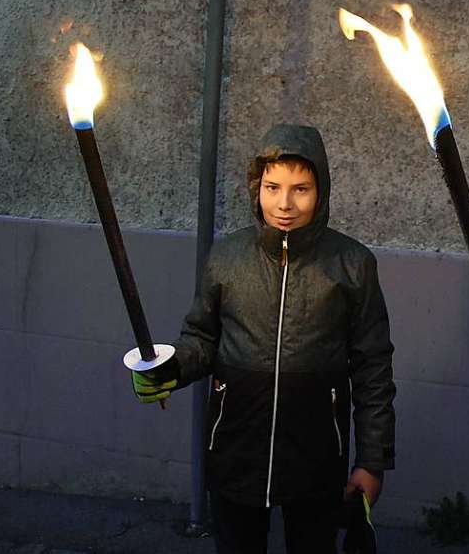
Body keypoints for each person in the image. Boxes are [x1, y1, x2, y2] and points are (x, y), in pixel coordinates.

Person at [128, 124, 396, 554]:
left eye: (300, 189)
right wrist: (171, 367)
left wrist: (373, 460)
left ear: (321, 190)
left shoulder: (352, 264)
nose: (284, 203)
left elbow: (373, 367)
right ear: (257, 187)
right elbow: (201, 337)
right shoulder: (227, 256)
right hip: (235, 448)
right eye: (272, 187)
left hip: (316, 456)